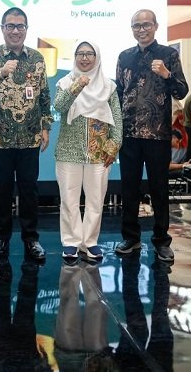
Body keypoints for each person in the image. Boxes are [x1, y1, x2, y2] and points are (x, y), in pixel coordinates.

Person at [0, 7, 52, 263]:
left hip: (30, 136)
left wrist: (45, 126)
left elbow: (44, 95)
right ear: (2, 28)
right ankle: (1, 238)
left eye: (20, 26)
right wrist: (1, 72)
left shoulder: (37, 58)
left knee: (29, 189)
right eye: (10, 26)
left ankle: (31, 239)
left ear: (26, 29)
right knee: (2, 189)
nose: (15, 31)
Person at [114, 8, 188, 263]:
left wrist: (167, 75)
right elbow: (119, 94)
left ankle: (161, 240)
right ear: (132, 29)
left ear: (155, 26)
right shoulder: (124, 57)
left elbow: (182, 92)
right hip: (129, 134)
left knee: (159, 189)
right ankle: (131, 238)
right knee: (129, 188)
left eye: (146, 24)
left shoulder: (169, 55)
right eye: (137, 26)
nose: (142, 29)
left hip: (158, 135)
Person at [54, 41, 122, 264]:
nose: (84, 58)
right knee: (69, 198)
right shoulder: (65, 82)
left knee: (96, 198)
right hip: (68, 151)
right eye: (80, 54)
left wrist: (113, 146)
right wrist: (78, 86)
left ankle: (90, 241)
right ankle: (71, 242)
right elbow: (59, 106)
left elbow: (117, 119)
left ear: (97, 57)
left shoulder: (108, 87)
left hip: (99, 152)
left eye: (89, 54)